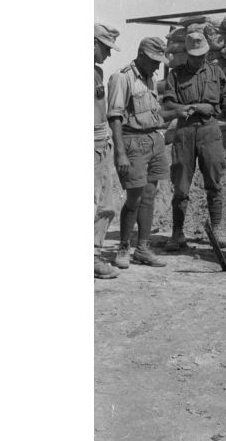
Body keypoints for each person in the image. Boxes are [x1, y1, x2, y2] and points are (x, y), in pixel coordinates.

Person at [162, 30, 226, 251]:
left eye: (201, 54)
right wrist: (186, 108)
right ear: (187, 54)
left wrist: (217, 108)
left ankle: (217, 229)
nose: (198, 59)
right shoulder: (175, 75)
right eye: (194, 55)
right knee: (181, 186)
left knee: (214, 182)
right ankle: (177, 233)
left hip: (210, 131)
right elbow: (168, 105)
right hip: (185, 131)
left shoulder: (216, 72)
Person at [107, 37, 171, 269]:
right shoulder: (121, 77)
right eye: (154, 61)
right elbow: (115, 117)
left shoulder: (149, 77)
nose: (157, 66)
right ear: (141, 55)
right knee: (135, 197)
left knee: (150, 195)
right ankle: (124, 246)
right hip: (132, 141)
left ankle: (143, 248)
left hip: (153, 139)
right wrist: (121, 153)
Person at [94, 23, 121, 279]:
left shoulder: (96, 72)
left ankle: (93, 254)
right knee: (97, 204)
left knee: (106, 204)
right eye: (105, 48)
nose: (109, 54)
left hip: (100, 143)